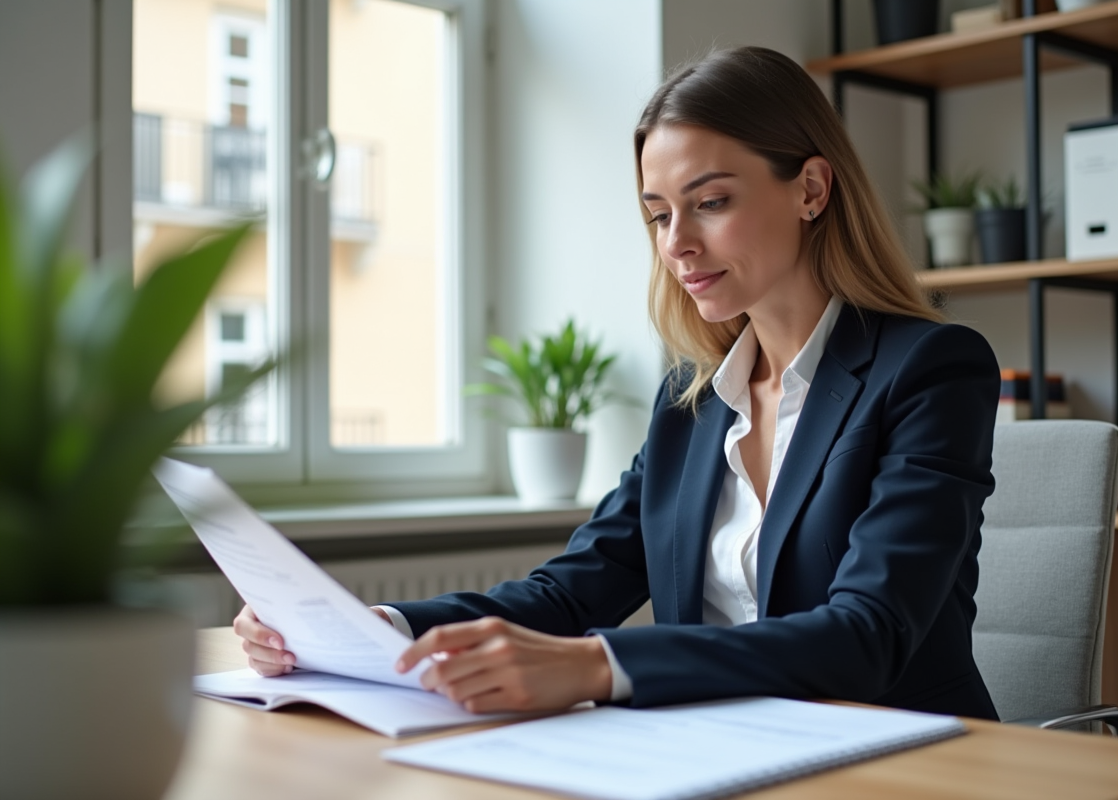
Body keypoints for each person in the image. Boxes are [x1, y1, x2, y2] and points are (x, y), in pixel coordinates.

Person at [235, 46, 1001, 720]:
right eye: (659, 214)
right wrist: (374, 627)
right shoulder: (691, 403)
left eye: (711, 203)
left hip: (897, 758)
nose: (678, 244)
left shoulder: (930, 371)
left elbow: (867, 634)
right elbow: (569, 594)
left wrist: (602, 666)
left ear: (810, 189)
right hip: (722, 751)